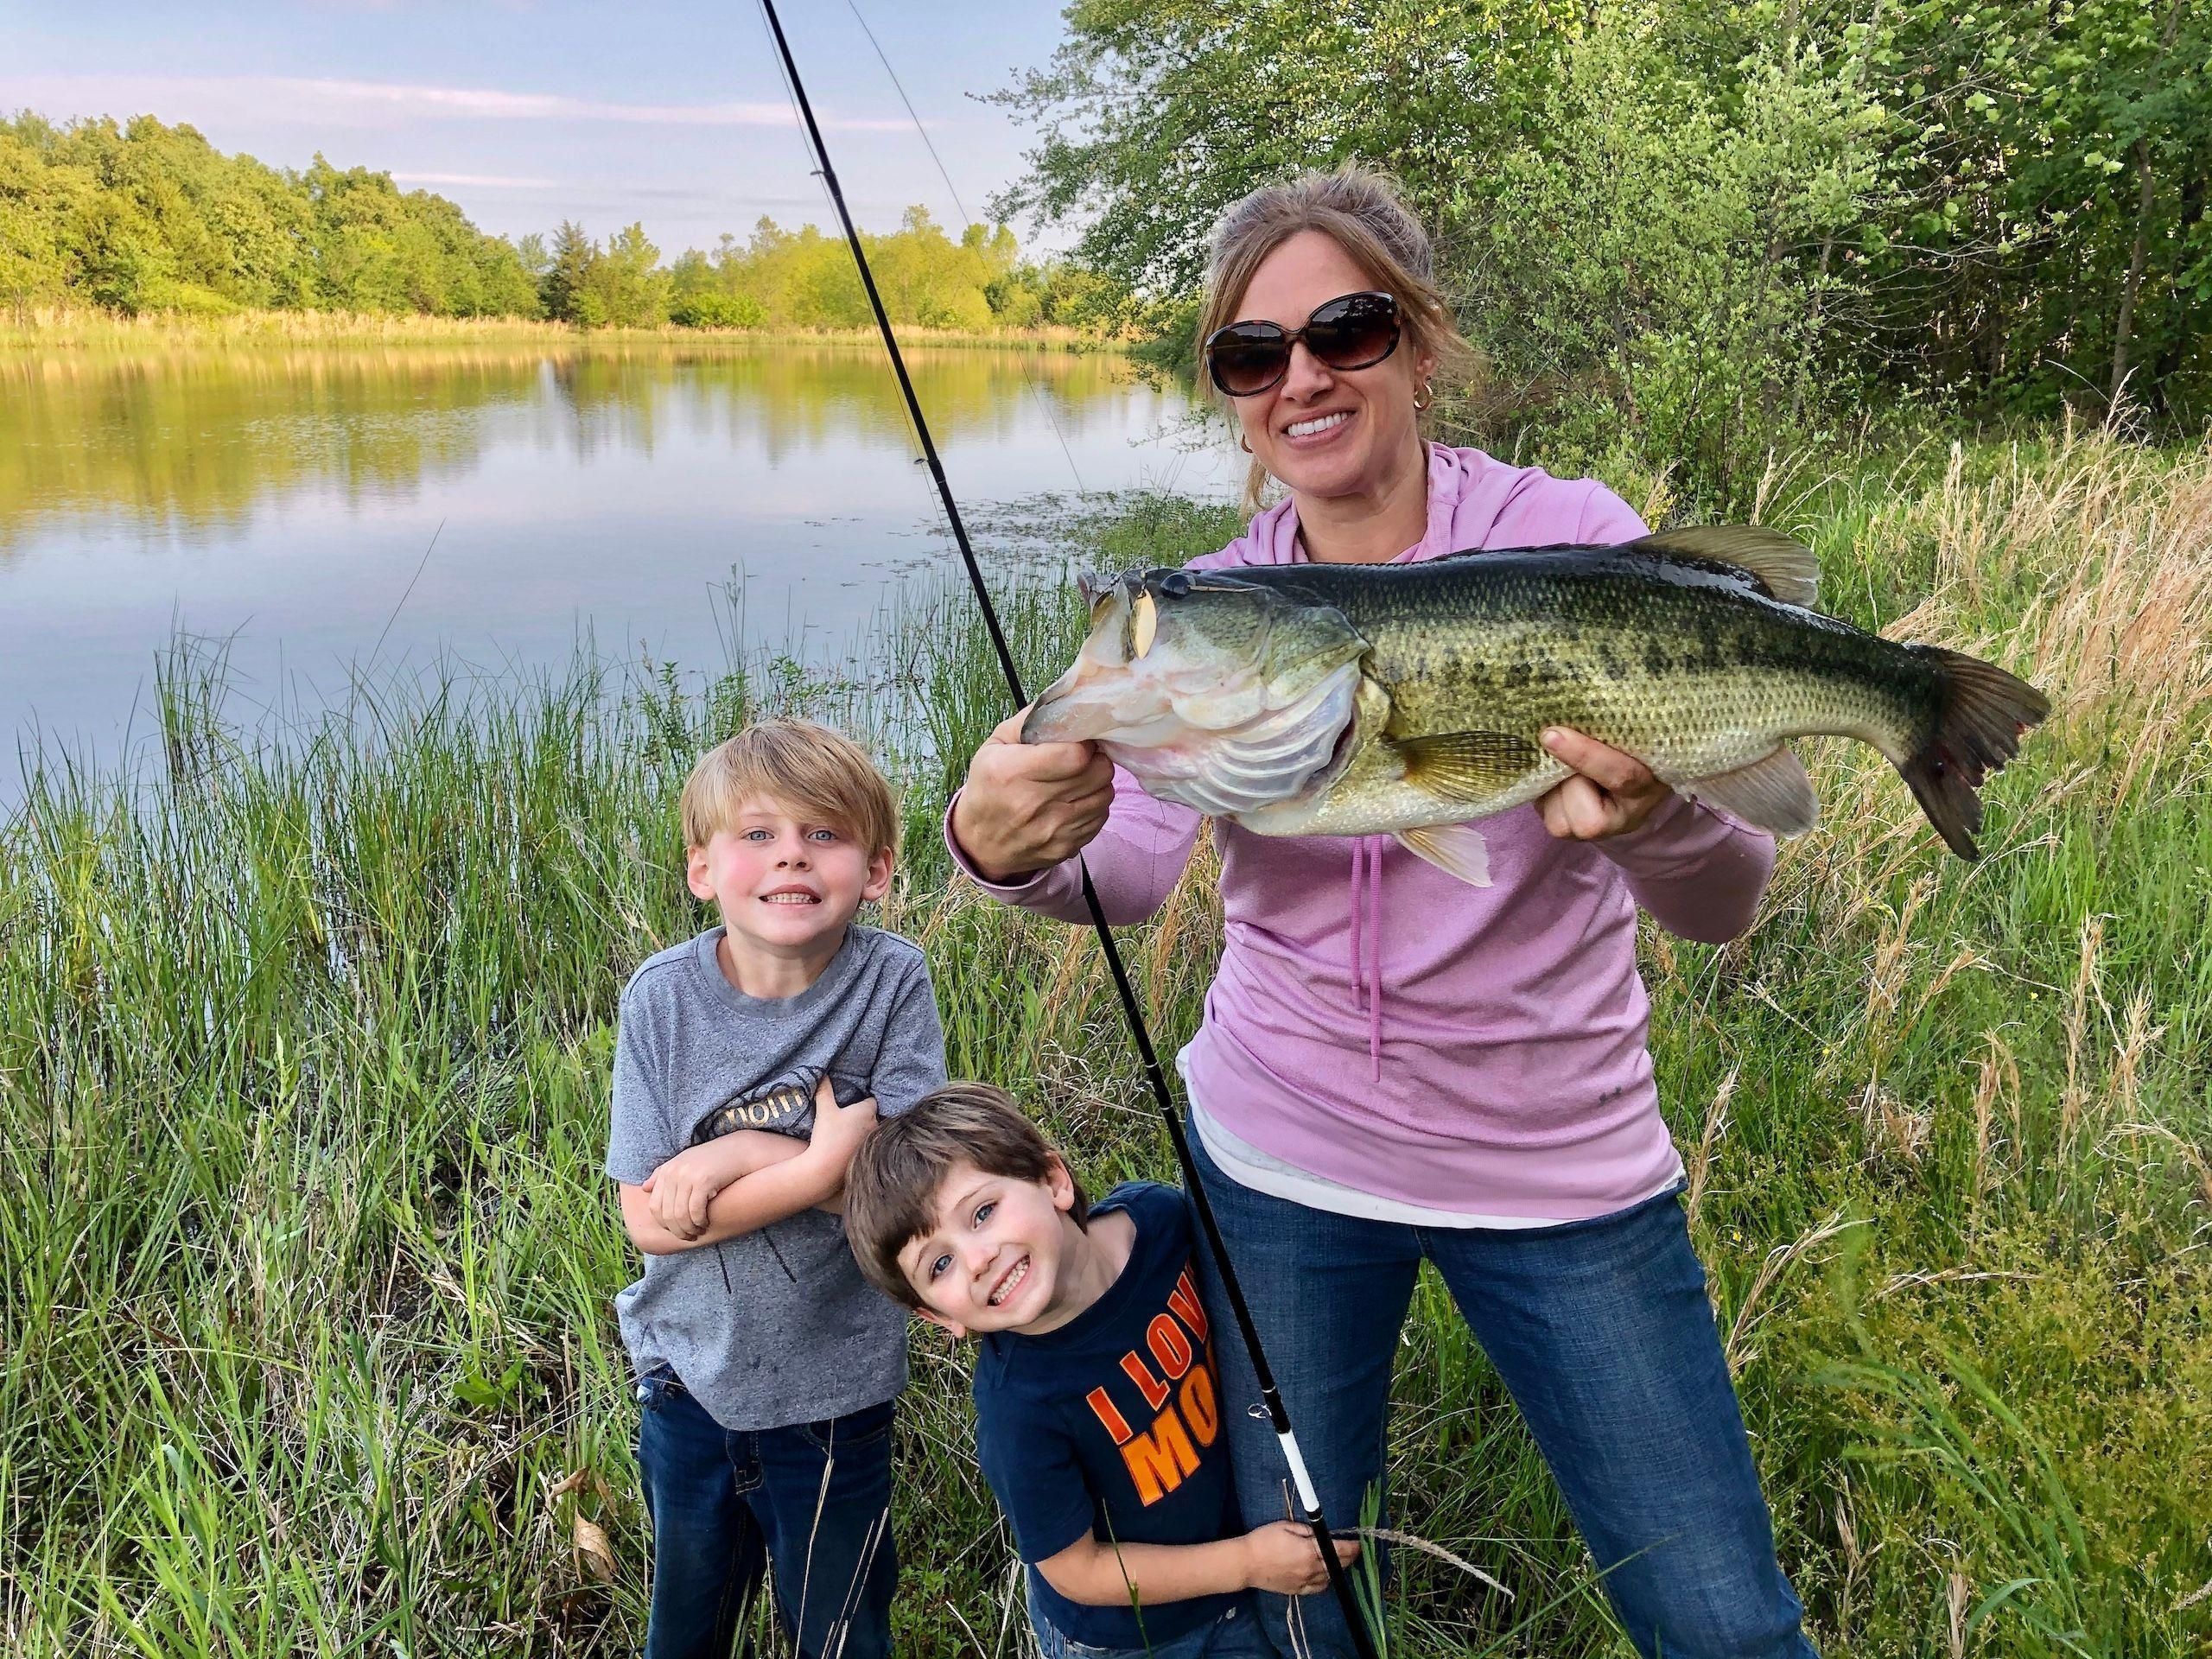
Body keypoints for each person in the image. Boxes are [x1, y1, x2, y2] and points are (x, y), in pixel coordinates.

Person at [943, 166, 1821, 1659]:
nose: (1302, 378)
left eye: (1344, 330)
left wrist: (1664, 819)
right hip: (1279, 1159)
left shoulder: (1572, 537)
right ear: (1228, 394)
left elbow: (1727, 901)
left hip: (1559, 1169)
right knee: (1298, 1592)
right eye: (1252, 354)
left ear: (1419, 343)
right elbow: (1131, 870)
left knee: (1721, 1620)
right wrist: (999, 842)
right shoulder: (1217, 606)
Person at [606, 720, 947, 1659]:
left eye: (823, 834)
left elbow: (905, 1197)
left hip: (837, 1391)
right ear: (702, 872)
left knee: (841, 1634)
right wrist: (811, 1163)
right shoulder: (662, 998)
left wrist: (730, 1158)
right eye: (757, 835)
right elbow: (647, 1218)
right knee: (686, 1629)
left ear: (875, 871)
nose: (791, 854)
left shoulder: (891, 981)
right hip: (689, 1379)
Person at [841, 1082, 1360, 1659]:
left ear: (1053, 1180)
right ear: (938, 1316)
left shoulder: (1159, 1222)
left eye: (982, 1213)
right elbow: (1078, 1572)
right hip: (1132, 1636)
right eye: (939, 1264)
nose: (978, 1259)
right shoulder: (1019, 1409)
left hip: (1237, 1574)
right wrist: (1245, 1563)